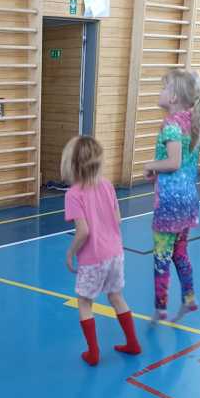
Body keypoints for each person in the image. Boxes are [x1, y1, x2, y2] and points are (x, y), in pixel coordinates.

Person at [144, 69, 200, 323]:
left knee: (161, 255)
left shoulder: (171, 125)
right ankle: (189, 298)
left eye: (164, 88)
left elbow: (173, 162)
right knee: (180, 252)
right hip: (188, 201)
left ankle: (161, 307)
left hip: (170, 203)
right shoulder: (196, 122)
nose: (161, 92)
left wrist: (151, 165)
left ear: (174, 97)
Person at [63, 135, 141, 366]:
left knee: (85, 302)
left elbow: (83, 231)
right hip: (115, 253)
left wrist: (70, 253)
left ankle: (93, 353)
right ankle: (133, 343)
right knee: (116, 296)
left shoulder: (73, 194)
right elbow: (117, 219)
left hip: (93, 258)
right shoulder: (107, 185)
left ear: (72, 163)